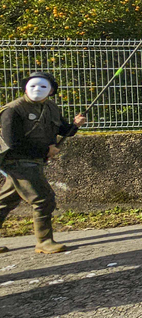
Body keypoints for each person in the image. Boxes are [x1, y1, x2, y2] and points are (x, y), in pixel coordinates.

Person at [0, 72, 87, 254]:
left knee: (6, 201)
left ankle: (44, 241)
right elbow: (13, 143)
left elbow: (64, 130)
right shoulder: (13, 110)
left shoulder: (50, 107)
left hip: (34, 160)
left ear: (51, 91)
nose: (37, 90)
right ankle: (44, 242)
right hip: (16, 161)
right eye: (32, 86)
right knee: (43, 198)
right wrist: (46, 151)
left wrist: (75, 125)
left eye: (42, 86)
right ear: (25, 88)